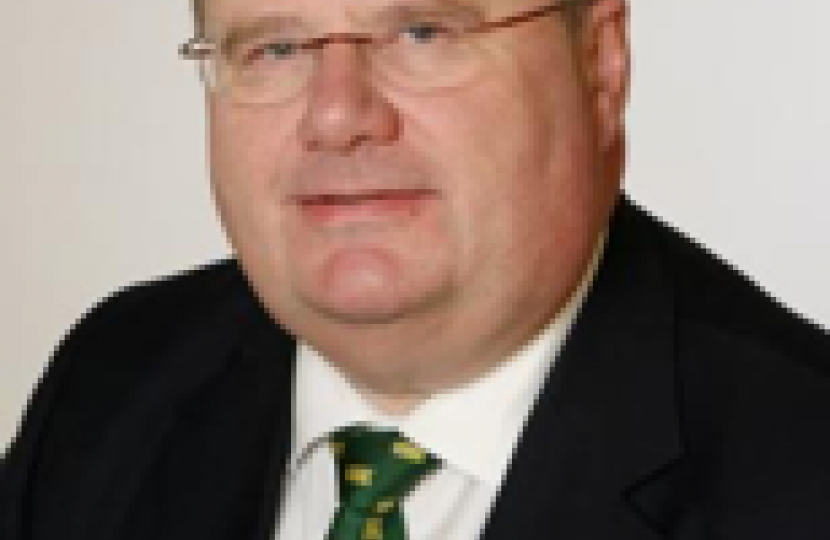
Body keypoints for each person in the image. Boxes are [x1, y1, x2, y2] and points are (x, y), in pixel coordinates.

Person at [2, 0, 829, 538]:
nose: (337, 115)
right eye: (275, 48)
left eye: (423, 32)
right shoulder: (111, 382)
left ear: (600, 64)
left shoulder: (803, 472)